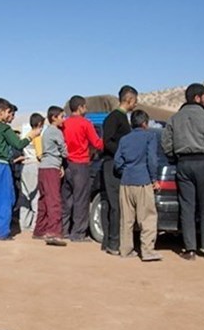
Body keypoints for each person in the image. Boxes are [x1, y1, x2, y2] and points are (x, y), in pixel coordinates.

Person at [161, 83, 204, 260]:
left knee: (187, 207)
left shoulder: (175, 118)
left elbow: (166, 144)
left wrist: (174, 157)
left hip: (184, 164)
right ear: (198, 98)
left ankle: (190, 249)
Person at [0, 98, 40, 241]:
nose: (11, 116)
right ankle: (2, 232)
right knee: (5, 199)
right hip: (2, 166)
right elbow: (18, 144)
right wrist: (30, 136)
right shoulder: (5, 129)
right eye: (9, 112)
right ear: (1, 112)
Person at [114, 110, 161, 261]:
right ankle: (147, 250)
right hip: (143, 181)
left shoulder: (124, 139)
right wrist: (154, 179)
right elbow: (152, 160)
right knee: (147, 218)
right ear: (145, 123)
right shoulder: (150, 136)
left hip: (126, 182)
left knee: (127, 219)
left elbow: (117, 162)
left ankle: (126, 250)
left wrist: (126, 171)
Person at [100, 85, 138, 256]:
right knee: (115, 205)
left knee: (112, 204)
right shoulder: (114, 118)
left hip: (118, 166)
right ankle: (114, 244)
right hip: (111, 165)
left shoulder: (122, 118)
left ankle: (109, 241)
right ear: (129, 100)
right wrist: (123, 153)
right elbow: (107, 142)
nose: (136, 105)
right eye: (135, 101)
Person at [61, 95, 103, 242]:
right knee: (81, 199)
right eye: (85, 106)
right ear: (80, 108)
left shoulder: (64, 124)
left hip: (67, 164)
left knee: (66, 198)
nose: (86, 109)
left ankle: (64, 229)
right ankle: (78, 233)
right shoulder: (86, 124)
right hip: (81, 163)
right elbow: (97, 143)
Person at [33, 105, 68, 246]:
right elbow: (64, 150)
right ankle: (53, 232)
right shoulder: (56, 132)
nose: (63, 120)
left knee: (43, 200)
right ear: (54, 118)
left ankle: (40, 230)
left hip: (43, 168)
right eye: (62, 116)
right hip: (51, 168)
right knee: (54, 200)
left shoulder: (46, 132)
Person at [18, 113, 44, 232]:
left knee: (25, 197)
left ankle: (23, 224)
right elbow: (40, 155)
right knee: (35, 197)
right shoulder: (37, 137)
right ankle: (35, 225)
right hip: (34, 166)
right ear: (39, 124)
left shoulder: (26, 136)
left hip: (25, 166)